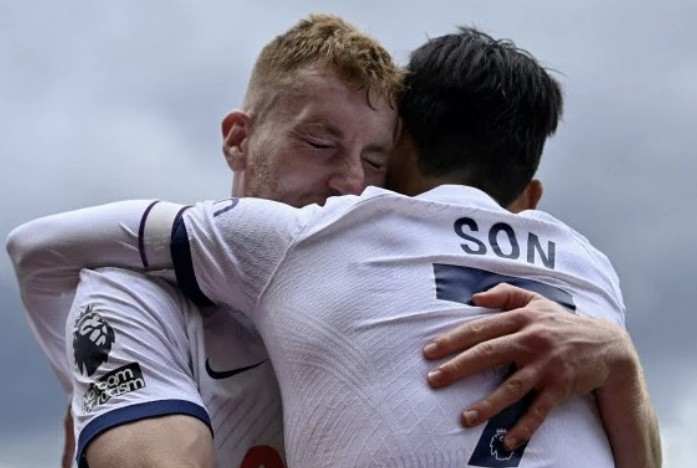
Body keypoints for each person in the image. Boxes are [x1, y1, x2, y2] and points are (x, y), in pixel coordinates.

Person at [6, 19, 660, 468]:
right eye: (318, 143)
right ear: (238, 138)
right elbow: (33, 249)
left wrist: (620, 364)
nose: (350, 183)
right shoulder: (131, 295)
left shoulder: (384, 281)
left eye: (376, 162)